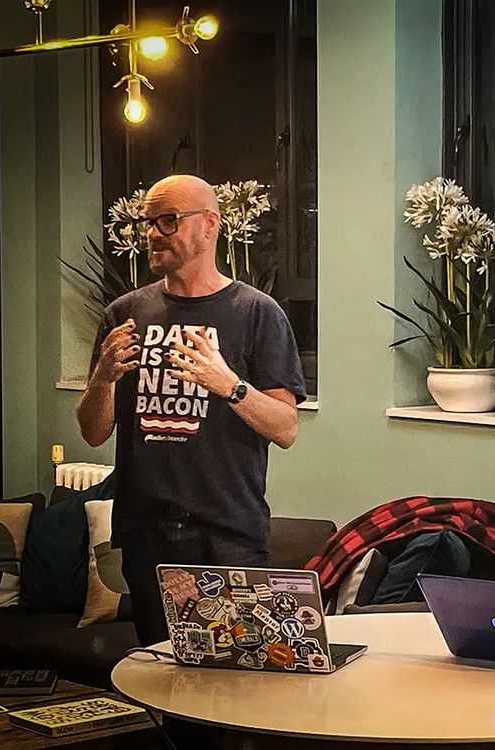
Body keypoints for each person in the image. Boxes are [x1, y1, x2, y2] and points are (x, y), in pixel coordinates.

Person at [77, 174, 306, 649]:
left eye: (168, 221)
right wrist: (102, 377)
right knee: (164, 679)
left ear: (209, 225)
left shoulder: (257, 313)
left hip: (228, 535)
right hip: (146, 534)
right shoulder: (124, 313)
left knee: (232, 682)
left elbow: (286, 429)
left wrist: (229, 385)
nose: (153, 234)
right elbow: (93, 433)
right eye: (148, 223)